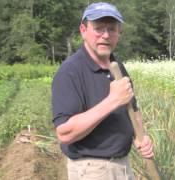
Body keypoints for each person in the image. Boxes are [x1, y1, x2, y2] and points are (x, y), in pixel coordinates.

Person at [51, 2, 154, 180]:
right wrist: (112, 100)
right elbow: (64, 133)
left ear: (119, 32)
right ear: (83, 30)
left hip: (121, 165)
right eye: (98, 28)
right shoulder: (70, 71)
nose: (106, 35)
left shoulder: (117, 66)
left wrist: (140, 137)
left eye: (112, 29)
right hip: (92, 169)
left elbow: (133, 108)